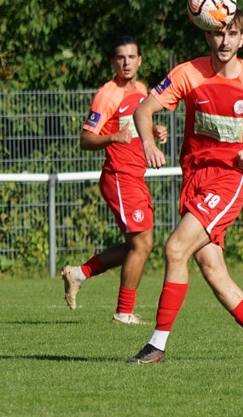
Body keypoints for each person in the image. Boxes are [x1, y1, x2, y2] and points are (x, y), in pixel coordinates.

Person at [126, 8, 243, 363]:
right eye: (218, 33)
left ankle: (157, 345)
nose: (224, 41)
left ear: (242, 38)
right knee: (213, 270)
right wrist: (149, 144)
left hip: (229, 178)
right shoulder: (188, 73)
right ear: (207, 35)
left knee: (175, 249)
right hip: (194, 178)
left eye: (232, 34)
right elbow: (143, 110)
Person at [60, 36, 168, 324]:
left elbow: (136, 124)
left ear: (140, 60)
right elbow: (85, 139)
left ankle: (78, 274)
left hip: (136, 175)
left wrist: (154, 130)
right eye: (120, 57)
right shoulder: (107, 94)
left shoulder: (142, 90)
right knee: (142, 243)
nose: (126, 62)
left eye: (131, 57)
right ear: (113, 62)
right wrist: (113, 137)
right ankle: (123, 312)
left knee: (139, 244)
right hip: (119, 176)